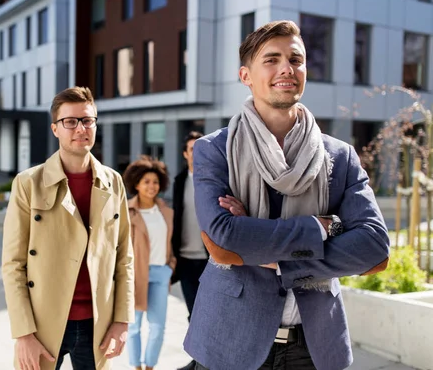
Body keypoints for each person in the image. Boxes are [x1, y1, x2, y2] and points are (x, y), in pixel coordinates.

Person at [184, 20, 390, 370]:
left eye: (296, 59)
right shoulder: (213, 150)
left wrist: (271, 251)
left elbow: (374, 249)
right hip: (232, 340)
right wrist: (327, 227)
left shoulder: (339, 157)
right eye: (272, 59)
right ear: (246, 76)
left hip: (314, 345)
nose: (286, 68)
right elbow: (224, 242)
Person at [2, 86, 134, 370]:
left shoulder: (113, 182)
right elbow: (13, 263)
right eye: (70, 121)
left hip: (97, 324)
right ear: (55, 129)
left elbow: (124, 257)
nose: (80, 128)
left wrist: (122, 320)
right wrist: (23, 333)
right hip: (42, 323)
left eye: (87, 120)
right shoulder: (28, 183)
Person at [123, 156, 176, 370]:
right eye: (146, 181)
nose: (151, 186)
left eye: (155, 182)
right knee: (133, 326)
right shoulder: (127, 211)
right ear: (136, 184)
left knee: (157, 327)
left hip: (160, 273)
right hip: (135, 274)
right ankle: (136, 367)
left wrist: (170, 266)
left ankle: (150, 366)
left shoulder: (166, 211)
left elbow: (170, 241)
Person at [171, 131, 207, 370]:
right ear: (185, 154)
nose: (196, 153)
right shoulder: (180, 180)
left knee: (208, 313)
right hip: (185, 258)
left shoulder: (214, 180)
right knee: (193, 313)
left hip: (210, 259)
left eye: (200, 148)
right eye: (192, 149)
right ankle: (198, 360)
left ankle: (204, 360)